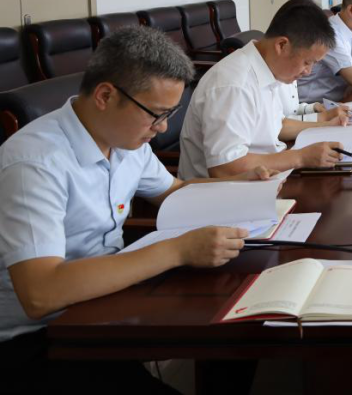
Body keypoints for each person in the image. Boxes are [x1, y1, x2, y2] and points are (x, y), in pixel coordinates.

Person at [0, 27, 275, 393]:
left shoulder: (125, 139)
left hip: (104, 303)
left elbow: (174, 192)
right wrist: (177, 251)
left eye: (169, 114)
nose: (162, 128)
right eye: (156, 114)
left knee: (237, 321)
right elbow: (41, 293)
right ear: (105, 96)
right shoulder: (35, 163)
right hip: (37, 338)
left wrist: (242, 186)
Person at [179, 0, 345, 179]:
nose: (308, 71)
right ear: (282, 45)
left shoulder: (267, 70)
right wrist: (300, 157)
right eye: (307, 62)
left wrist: (324, 125)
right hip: (225, 192)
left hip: (263, 178)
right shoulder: (235, 84)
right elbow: (225, 167)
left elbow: (277, 126)